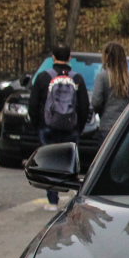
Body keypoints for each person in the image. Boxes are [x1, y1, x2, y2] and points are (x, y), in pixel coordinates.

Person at [28, 44, 91, 210]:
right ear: (70, 58)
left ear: (53, 57)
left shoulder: (43, 77)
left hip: (48, 127)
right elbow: (84, 106)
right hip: (71, 127)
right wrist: (79, 127)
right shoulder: (77, 78)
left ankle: (52, 200)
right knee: (70, 161)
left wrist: (38, 125)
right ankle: (72, 195)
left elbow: (33, 105)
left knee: (50, 163)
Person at [91, 42, 129, 138]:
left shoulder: (102, 77)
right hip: (126, 124)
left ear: (106, 56)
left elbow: (96, 102)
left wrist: (101, 112)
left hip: (108, 124)